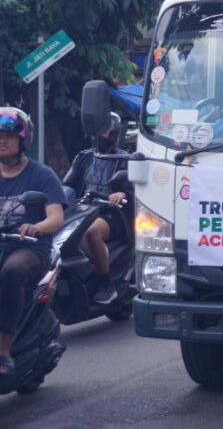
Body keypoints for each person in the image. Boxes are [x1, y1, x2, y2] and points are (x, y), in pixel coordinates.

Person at [0, 107, 65, 376]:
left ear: (23, 139)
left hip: (29, 248)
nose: (2, 140)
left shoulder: (41, 174)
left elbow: (56, 217)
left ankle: (3, 350)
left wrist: (37, 227)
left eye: (8, 135)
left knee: (11, 272)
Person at [63, 112, 130, 304]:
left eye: (103, 131)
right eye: (96, 132)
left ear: (113, 134)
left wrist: (120, 194)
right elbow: (68, 185)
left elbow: (130, 187)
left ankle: (106, 283)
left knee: (92, 233)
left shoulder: (123, 158)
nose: (98, 136)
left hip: (111, 213)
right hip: (83, 211)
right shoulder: (83, 157)